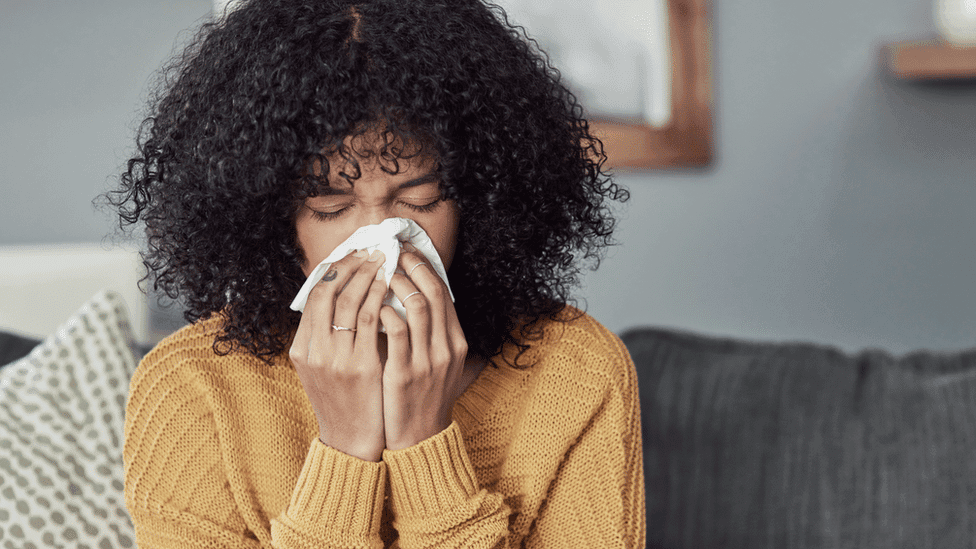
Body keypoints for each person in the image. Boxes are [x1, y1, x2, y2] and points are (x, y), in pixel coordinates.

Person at [110, 0, 644, 546]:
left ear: (479, 200)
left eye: (419, 197)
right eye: (330, 208)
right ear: (270, 218)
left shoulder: (578, 371)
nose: (382, 242)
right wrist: (344, 449)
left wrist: (425, 443)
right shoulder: (192, 390)